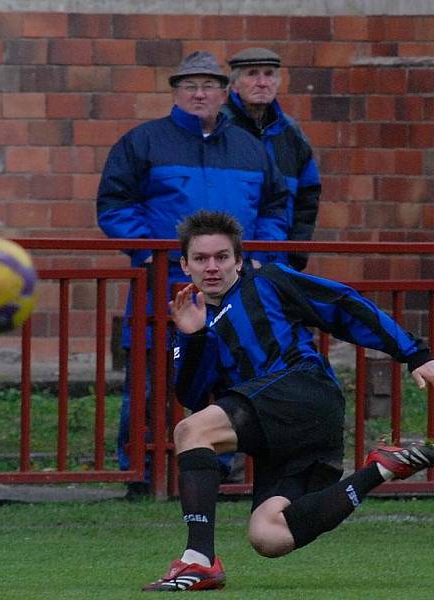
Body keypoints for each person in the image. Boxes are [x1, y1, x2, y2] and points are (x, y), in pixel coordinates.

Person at [142, 210, 434, 591]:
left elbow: (341, 305)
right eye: (201, 259)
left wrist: (414, 353)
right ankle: (380, 468)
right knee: (269, 535)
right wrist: (191, 339)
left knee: (191, 430)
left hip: (302, 391)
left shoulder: (268, 283)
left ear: (239, 261)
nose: (212, 267)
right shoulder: (197, 323)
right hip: (282, 430)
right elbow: (191, 395)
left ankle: (198, 560)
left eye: (222, 257)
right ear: (185, 266)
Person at [96, 51, 289, 499]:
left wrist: (260, 256)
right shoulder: (142, 142)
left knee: (230, 379)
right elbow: (115, 204)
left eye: (209, 86)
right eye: (189, 86)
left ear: (226, 93)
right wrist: (151, 254)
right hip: (162, 286)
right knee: (149, 380)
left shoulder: (250, 147)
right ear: (175, 92)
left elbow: (277, 207)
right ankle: (141, 474)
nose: (199, 94)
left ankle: (219, 471)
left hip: (233, 290)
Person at [222, 47, 321, 272]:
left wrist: (296, 253)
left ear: (278, 82)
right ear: (234, 84)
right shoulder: (220, 129)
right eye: (252, 74)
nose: (262, 82)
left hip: (279, 259)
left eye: (269, 74)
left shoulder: (291, 133)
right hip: (226, 262)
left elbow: (308, 199)